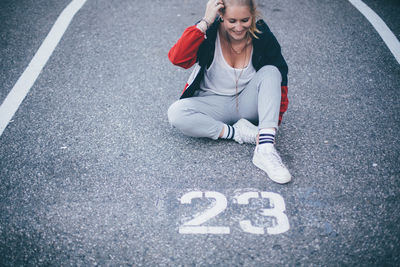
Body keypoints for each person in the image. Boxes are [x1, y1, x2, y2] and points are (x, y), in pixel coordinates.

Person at [167, 0, 291, 184]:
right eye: (232, 21)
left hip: (248, 103)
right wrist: (204, 22)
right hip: (213, 104)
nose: (239, 27)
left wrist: (272, 122)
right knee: (176, 113)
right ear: (221, 16)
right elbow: (177, 58)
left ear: (253, 16)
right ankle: (238, 132)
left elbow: (280, 80)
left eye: (245, 20)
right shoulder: (208, 34)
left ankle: (265, 150)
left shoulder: (262, 36)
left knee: (271, 71)